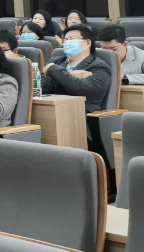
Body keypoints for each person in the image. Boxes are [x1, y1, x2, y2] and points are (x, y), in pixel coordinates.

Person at [40, 24, 114, 196]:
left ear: (87, 42)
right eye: (65, 40)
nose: (66, 43)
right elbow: (42, 87)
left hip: (82, 118)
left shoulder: (99, 66)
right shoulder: (56, 61)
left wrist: (54, 72)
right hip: (52, 113)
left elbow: (82, 89)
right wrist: (68, 75)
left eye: (71, 39)